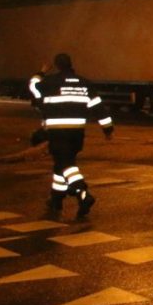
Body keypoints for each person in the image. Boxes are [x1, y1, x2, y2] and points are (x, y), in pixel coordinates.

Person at [29, 53, 113, 219]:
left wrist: (42, 72)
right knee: (63, 165)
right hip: (77, 133)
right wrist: (107, 128)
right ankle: (56, 199)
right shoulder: (84, 83)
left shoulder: (50, 82)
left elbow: (32, 86)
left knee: (66, 164)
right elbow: (98, 108)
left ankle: (83, 193)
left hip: (57, 132)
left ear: (57, 65)